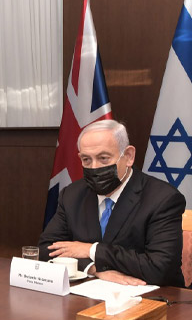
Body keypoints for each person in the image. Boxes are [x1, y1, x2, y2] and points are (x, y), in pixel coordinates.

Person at [39, 119, 186, 287]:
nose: (94, 168)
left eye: (103, 158)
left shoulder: (162, 198)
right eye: (86, 160)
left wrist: (92, 250)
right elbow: (46, 249)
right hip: (90, 293)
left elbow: (159, 267)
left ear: (129, 156)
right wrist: (94, 268)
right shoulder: (72, 194)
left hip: (155, 297)